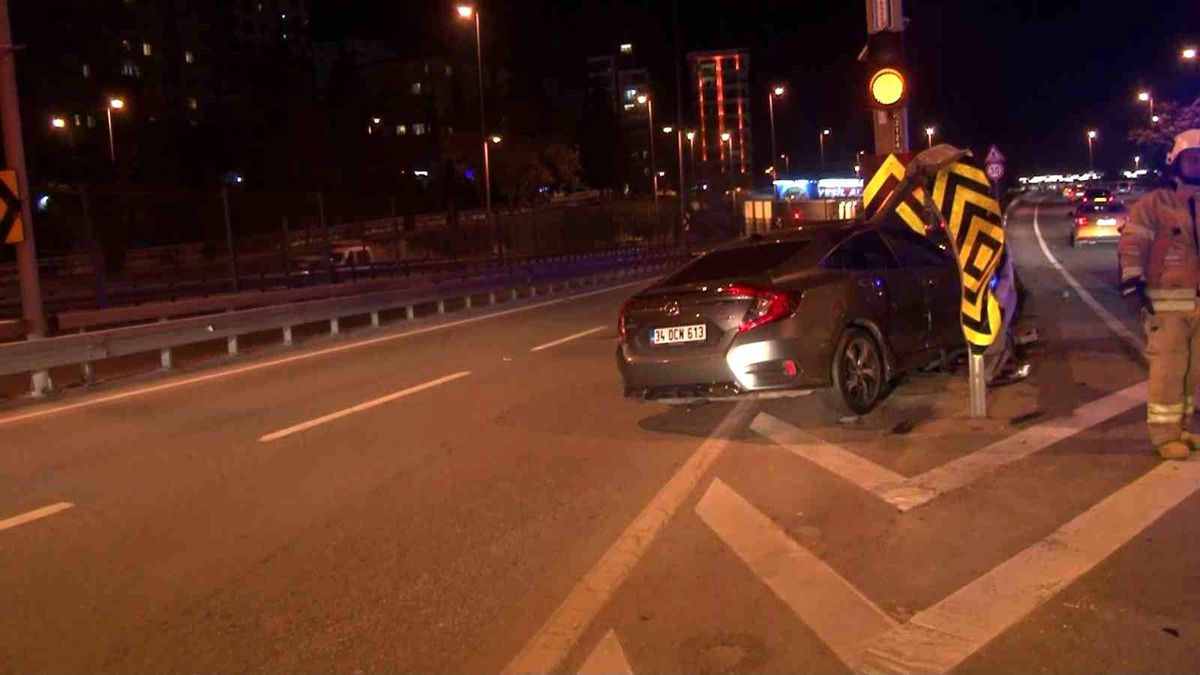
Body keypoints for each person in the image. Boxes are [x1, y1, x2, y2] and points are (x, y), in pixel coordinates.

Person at [1118, 128, 1200, 459]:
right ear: (1175, 162)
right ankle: (1164, 436)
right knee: (1168, 370)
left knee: (1193, 371)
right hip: (1165, 304)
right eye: (1190, 159)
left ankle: (1182, 427)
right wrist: (1133, 281)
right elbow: (1133, 243)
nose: (1196, 165)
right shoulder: (1153, 205)